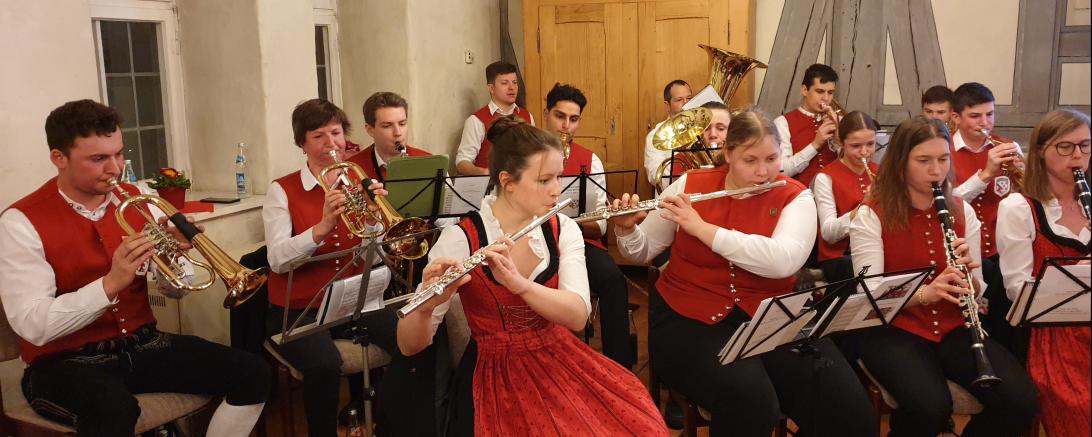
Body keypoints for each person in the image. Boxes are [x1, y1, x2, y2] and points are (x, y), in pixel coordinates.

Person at [0, 99, 268, 437]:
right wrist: (110, 284)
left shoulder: (136, 198)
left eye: (118, 154)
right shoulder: (20, 222)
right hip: (62, 361)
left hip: (142, 344)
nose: (115, 168)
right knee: (114, 410)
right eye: (98, 159)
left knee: (254, 373)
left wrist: (174, 259)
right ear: (59, 158)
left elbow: (176, 291)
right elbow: (33, 325)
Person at [612, 108, 876, 437]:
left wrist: (702, 228)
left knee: (850, 411)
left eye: (772, 159)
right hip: (688, 319)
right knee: (752, 402)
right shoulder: (690, 184)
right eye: (750, 160)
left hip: (770, 316)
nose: (763, 172)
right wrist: (625, 229)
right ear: (728, 154)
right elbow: (642, 250)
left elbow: (782, 261)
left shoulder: (797, 197)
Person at [397, 116, 667, 436]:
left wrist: (520, 285)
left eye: (558, 177)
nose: (557, 190)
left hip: (557, 357)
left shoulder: (563, 228)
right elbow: (409, 346)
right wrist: (426, 307)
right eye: (544, 180)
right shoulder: (460, 238)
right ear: (507, 181)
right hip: (491, 372)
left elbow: (577, 315)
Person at [849, 115, 1039, 437]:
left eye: (943, 159)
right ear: (900, 163)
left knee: (1021, 402)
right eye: (923, 161)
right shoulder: (871, 214)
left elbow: (977, 291)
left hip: (954, 327)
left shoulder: (962, 211)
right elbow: (870, 293)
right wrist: (925, 294)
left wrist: (970, 279)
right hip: (893, 329)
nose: (936, 170)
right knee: (931, 408)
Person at [263, 99, 434, 436]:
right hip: (299, 310)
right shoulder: (282, 190)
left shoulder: (355, 182)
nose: (331, 143)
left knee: (413, 341)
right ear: (302, 144)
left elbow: (374, 253)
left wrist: (373, 220)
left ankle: (391, 425)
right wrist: (321, 228)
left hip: (354, 301)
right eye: (318, 136)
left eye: (336, 133)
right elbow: (278, 260)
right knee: (325, 365)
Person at [996, 109, 1090, 436]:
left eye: (1085, 145)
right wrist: (1074, 277)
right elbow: (1017, 290)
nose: (1077, 156)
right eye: (1065, 147)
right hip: (1052, 333)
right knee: (1081, 406)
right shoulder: (1019, 208)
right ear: (1040, 151)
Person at [540, 83, 634, 368]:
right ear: (545, 114)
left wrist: (569, 222)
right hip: (534, 242)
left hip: (578, 241)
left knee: (613, 279)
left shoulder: (590, 160)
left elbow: (600, 226)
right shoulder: (525, 154)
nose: (566, 126)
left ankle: (619, 368)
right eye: (560, 116)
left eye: (574, 119)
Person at [949, 82, 1023, 351]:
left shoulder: (1007, 146)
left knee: (1008, 322)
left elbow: (1027, 197)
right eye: (975, 116)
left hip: (1005, 250)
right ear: (956, 117)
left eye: (990, 114)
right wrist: (986, 174)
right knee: (979, 325)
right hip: (967, 254)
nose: (985, 123)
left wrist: (1025, 174)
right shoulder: (943, 151)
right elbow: (948, 205)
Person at [813, 111, 880, 292]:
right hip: (841, 257)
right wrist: (863, 206)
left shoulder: (882, 172)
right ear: (841, 143)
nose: (864, 152)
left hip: (876, 247)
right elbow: (828, 233)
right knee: (858, 270)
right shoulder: (825, 177)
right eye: (856, 146)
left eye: (870, 144)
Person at [455, 61, 535, 175]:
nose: (512, 88)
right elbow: (462, 162)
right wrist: (483, 172)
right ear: (491, 88)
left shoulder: (527, 116)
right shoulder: (476, 121)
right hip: (490, 183)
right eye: (504, 83)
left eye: (515, 82)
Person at [774, 63, 841, 187]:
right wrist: (815, 145)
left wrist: (838, 137)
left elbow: (853, 166)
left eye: (830, 92)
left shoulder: (839, 121)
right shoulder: (783, 123)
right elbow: (781, 171)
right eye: (820, 91)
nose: (826, 98)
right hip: (801, 194)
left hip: (836, 191)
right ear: (804, 90)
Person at [348, 91, 431, 184]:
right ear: (370, 130)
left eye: (402, 124)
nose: (398, 133)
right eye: (387, 126)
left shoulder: (429, 162)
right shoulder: (351, 169)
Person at [644, 79, 693, 191]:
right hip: (673, 196)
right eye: (679, 100)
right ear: (667, 105)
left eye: (689, 98)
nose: (686, 103)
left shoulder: (705, 130)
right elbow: (656, 178)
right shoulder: (656, 135)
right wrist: (683, 156)